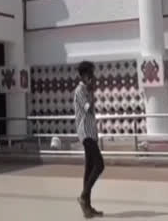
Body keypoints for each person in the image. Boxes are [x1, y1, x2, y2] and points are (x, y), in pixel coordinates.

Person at [74, 61, 104, 218]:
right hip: (85, 133)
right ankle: (84, 196)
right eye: (91, 74)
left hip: (91, 133)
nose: (93, 77)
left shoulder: (86, 89)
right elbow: (89, 108)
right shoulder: (80, 90)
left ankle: (88, 207)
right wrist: (92, 92)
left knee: (89, 169)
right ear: (84, 75)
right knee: (100, 165)